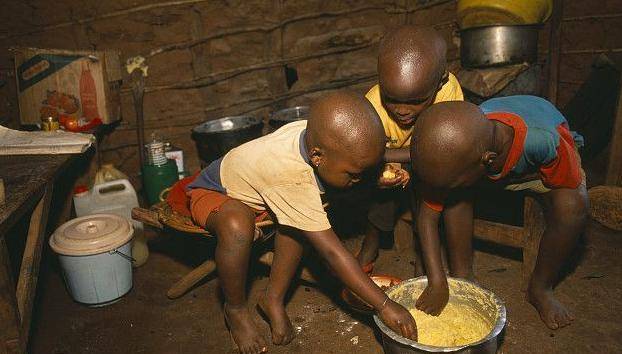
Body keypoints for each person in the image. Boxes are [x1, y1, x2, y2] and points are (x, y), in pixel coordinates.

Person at [187, 91, 417, 354]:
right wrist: (384, 305)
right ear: (317, 157)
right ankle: (235, 310)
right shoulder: (292, 178)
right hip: (216, 192)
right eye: (355, 175)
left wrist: (393, 163)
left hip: (264, 193)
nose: (362, 179)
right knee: (238, 228)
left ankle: (272, 298)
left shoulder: (315, 136)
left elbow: (358, 160)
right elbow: (332, 252)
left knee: (299, 224)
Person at [410, 96, 588, 330]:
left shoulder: (544, 141)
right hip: (485, 172)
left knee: (572, 208)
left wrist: (526, 179)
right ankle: (463, 274)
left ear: (487, 160)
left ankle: (540, 288)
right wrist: (437, 280)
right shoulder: (464, 144)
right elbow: (427, 218)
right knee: (454, 196)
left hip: (536, 171)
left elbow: (566, 181)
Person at [358, 25, 464, 273]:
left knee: (431, 185)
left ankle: (425, 256)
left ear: (440, 83)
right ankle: (370, 243)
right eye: (392, 98)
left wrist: (396, 157)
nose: (402, 110)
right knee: (378, 193)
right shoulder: (372, 105)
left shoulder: (449, 91)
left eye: (416, 102)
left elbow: (447, 148)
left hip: (435, 157)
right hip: (389, 157)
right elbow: (366, 155)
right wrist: (384, 164)